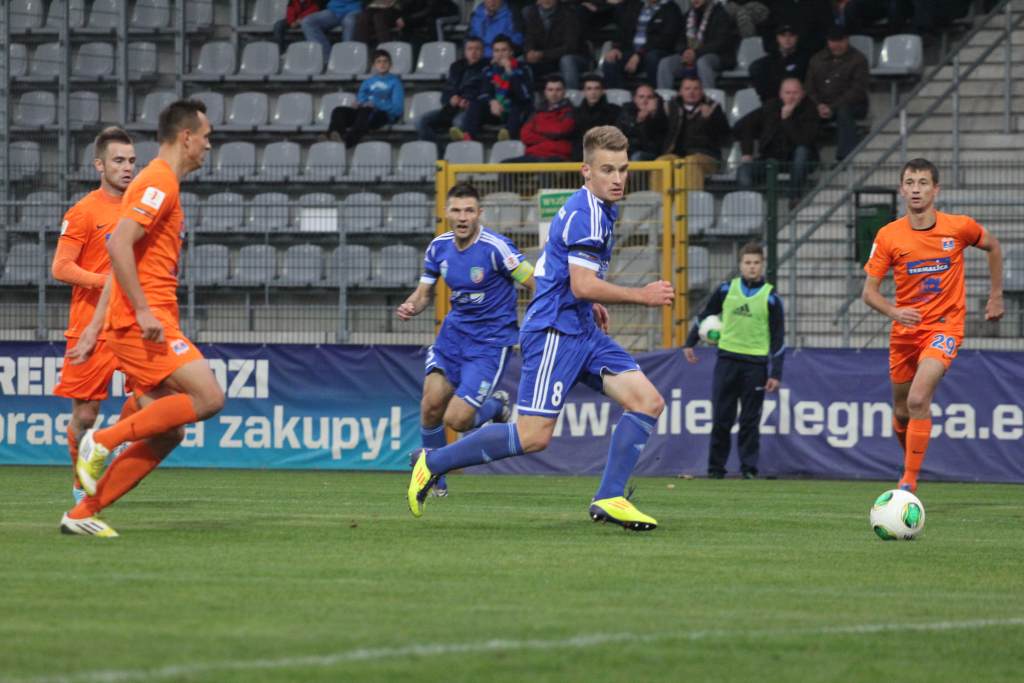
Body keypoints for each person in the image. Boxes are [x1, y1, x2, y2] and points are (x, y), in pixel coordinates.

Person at [407, 125, 675, 531]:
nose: (618, 178)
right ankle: (433, 461)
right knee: (534, 436)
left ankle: (610, 497)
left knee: (647, 401)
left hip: (580, 325)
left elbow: (562, 270)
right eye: (608, 170)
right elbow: (580, 281)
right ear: (586, 171)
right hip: (554, 331)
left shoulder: (600, 206)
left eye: (623, 169)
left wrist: (591, 299)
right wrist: (642, 294)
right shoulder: (586, 213)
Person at [60, 100, 226, 538]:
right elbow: (118, 247)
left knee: (169, 431)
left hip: (144, 317)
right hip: (143, 322)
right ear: (186, 137)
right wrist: (144, 309)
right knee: (209, 398)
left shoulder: (161, 181)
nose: (209, 145)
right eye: (206, 136)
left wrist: (108, 322)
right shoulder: (158, 182)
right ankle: (104, 440)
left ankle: (82, 514)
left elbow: (125, 250)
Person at [862, 158, 1004, 493]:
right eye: (910, 182)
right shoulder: (888, 235)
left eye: (923, 183)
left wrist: (995, 295)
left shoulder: (958, 227)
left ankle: (908, 482)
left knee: (917, 399)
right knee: (900, 409)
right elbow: (869, 292)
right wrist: (894, 312)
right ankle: (911, 459)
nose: (916, 189)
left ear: (935, 189)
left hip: (944, 327)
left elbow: (993, 246)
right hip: (904, 332)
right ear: (901, 189)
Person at [396, 183, 535, 496]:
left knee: (457, 420)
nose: (462, 217)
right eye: (456, 210)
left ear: (479, 214)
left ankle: (496, 407)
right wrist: (411, 306)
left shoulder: (497, 248)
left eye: (469, 210)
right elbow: (423, 294)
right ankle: (435, 482)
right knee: (431, 405)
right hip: (453, 338)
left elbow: (535, 282)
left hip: (489, 344)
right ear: (446, 212)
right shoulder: (438, 248)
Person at [51, 127, 137, 504]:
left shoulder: (143, 209)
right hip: (91, 325)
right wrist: (105, 282)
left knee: (155, 400)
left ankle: (116, 440)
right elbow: (61, 268)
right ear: (99, 165)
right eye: (119, 160)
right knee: (85, 415)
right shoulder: (84, 211)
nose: (128, 167)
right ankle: (80, 481)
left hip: (134, 323)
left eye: (133, 161)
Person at [683, 242, 785, 479]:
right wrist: (690, 342)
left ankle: (748, 469)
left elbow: (778, 339)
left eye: (756, 263)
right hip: (727, 360)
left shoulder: (771, 297)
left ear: (762, 266)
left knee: (750, 420)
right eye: (747, 263)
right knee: (721, 417)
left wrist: (776, 372)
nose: (752, 267)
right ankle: (715, 469)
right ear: (740, 265)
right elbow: (705, 315)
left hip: (756, 364)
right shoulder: (726, 289)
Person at [736, 77, 819, 200]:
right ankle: (750, 206)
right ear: (781, 94)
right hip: (771, 159)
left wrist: (787, 119)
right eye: (787, 93)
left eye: (795, 93)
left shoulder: (810, 110)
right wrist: (747, 152)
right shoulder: (771, 106)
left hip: (797, 161)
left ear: (802, 94)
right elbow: (743, 124)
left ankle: (794, 198)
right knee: (743, 170)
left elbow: (803, 141)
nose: (791, 97)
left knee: (802, 151)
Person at [804, 26, 869, 161]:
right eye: (833, 41)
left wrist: (832, 107)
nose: (836, 45)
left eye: (840, 40)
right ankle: (807, 158)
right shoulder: (816, 59)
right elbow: (809, 87)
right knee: (803, 112)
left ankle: (845, 158)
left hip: (852, 105)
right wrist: (819, 105)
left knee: (843, 111)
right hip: (821, 104)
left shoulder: (858, 59)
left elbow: (857, 91)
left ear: (847, 40)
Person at [451, 35, 533, 142]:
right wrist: (492, 101)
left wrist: (509, 71)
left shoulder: (523, 68)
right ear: (493, 53)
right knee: (476, 103)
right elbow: (484, 92)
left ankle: (508, 136)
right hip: (495, 110)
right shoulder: (489, 70)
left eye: (504, 50)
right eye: (496, 51)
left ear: (511, 52)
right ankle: (468, 136)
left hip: (513, 109)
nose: (500, 54)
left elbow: (523, 95)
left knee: (517, 106)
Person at [660, 76, 731, 189]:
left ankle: (692, 205)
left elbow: (725, 136)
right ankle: (660, 204)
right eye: (687, 89)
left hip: (707, 156)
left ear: (702, 91)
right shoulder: (670, 107)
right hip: (678, 155)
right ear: (680, 92)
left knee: (690, 162)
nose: (691, 92)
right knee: (662, 162)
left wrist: (709, 120)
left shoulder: (713, 107)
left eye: (696, 88)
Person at [416, 37, 487, 147]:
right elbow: (447, 90)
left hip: (471, 111)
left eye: (477, 49)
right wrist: (450, 99)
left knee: (458, 123)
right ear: (465, 51)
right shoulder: (456, 66)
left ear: (483, 51)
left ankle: (459, 159)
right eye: (470, 49)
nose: (473, 52)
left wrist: (468, 101)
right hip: (450, 109)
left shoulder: (487, 68)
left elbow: (485, 92)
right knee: (422, 121)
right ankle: (439, 156)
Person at [327, 49, 404, 148]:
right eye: (379, 61)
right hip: (364, 112)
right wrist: (359, 103)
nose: (382, 64)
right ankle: (333, 136)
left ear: (390, 64)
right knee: (339, 110)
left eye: (385, 61)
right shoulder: (368, 82)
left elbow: (397, 110)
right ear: (374, 65)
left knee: (366, 111)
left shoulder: (395, 82)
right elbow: (361, 99)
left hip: (383, 115)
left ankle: (347, 142)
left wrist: (375, 103)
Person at [656, 0, 737, 90]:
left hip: (717, 56)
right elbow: (679, 41)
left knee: (703, 62)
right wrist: (684, 52)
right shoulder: (687, 16)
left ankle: (708, 100)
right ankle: (664, 101)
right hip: (690, 56)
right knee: (665, 63)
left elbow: (720, 42)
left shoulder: (720, 14)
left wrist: (696, 53)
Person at [601, 0, 683, 89]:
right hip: (632, 52)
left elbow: (666, 39)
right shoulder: (636, 6)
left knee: (652, 57)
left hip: (657, 52)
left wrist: (639, 54)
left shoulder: (671, 8)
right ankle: (618, 98)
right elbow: (623, 31)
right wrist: (616, 48)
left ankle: (653, 96)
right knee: (610, 61)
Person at [507, 74, 576, 162]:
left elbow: (560, 131)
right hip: (534, 154)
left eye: (558, 90)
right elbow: (525, 135)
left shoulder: (571, 111)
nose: (554, 93)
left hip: (558, 155)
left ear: (564, 92)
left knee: (546, 169)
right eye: (550, 90)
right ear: (545, 92)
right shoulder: (537, 112)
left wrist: (538, 127)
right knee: (505, 165)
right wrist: (550, 140)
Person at [522, 0, 587, 90]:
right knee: (520, 63)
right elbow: (528, 38)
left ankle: (572, 98)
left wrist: (542, 54)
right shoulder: (532, 14)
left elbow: (570, 47)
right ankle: (527, 100)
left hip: (574, 57)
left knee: (566, 61)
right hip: (546, 60)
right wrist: (529, 52)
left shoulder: (569, 14)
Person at [748, 24, 809, 104]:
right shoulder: (765, 62)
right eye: (783, 36)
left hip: (798, 103)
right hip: (772, 104)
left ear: (797, 38)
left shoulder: (805, 61)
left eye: (791, 35)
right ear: (777, 38)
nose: (787, 39)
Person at [572, 73, 622, 160]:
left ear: (603, 91)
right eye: (589, 89)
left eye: (597, 88)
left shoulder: (615, 111)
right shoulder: (575, 112)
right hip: (581, 157)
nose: (593, 92)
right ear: (584, 92)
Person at [301, 0, 363, 67]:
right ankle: (326, 59)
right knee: (308, 22)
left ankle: (347, 61)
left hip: (353, 9)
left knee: (349, 22)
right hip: (334, 9)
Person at [615, 83, 667, 161]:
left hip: (652, 154)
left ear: (655, 100)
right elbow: (624, 132)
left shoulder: (661, 114)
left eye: (649, 97)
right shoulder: (627, 111)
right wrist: (639, 119)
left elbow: (656, 142)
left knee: (637, 156)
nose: (645, 101)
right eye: (641, 97)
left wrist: (652, 115)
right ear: (634, 98)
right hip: (628, 151)